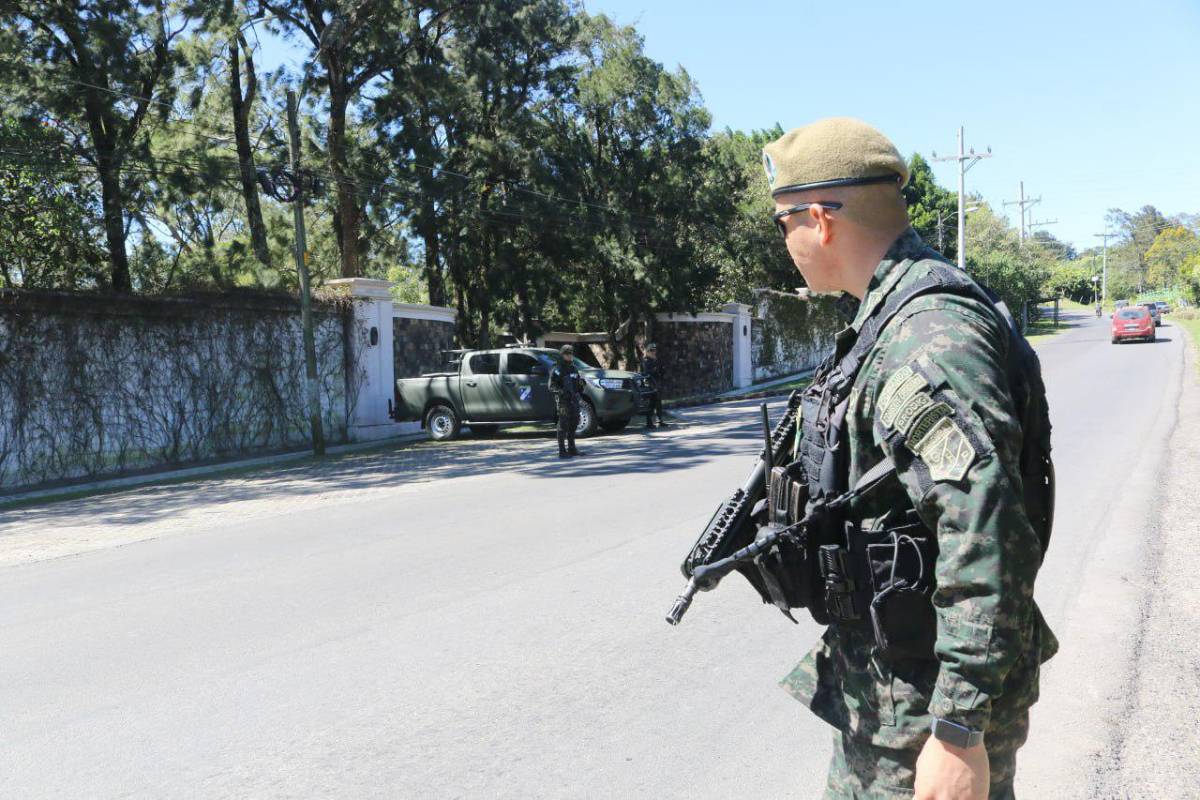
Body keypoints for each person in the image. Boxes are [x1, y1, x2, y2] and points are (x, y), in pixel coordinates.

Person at [760, 118, 1057, 799]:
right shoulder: (887, 320)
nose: (785, 242)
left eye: (782, 225)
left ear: (818, 219)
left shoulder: (930, 338)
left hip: (924, 714)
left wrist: (958, 731)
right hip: (888, 694)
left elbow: (986, 534)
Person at [549, 344, 586, 458]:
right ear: (562, 354)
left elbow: (578, 385)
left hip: (574, 400)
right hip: (563, 401)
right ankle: (562, 451)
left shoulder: (573, 368)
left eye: (571, 353)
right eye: (567, 353)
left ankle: (572, 448)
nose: (570, 356)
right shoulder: (557, 369)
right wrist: (561, 392)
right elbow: (551, 386)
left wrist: (581, 385)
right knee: (563, 424)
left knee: (574, 423)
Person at [640, 342, 668, 429]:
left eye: (654, 350)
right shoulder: (646, 360)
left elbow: (660, 371)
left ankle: (659, 420)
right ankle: (649, 422)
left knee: (658, 403)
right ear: (647, 351)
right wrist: (655, 369)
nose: (653, 352)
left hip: (656, 383)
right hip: (650, 384)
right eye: (651, 350)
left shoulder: (654, 360)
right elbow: (647, 372)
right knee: (651, 403)